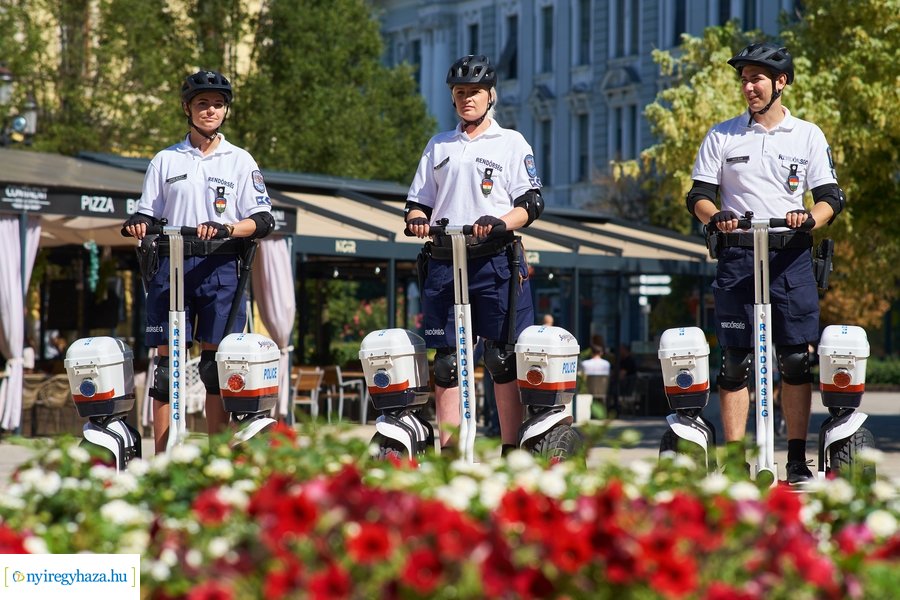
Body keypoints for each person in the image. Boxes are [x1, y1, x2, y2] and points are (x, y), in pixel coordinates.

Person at [686, 43, 845, 484]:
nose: (748, 87)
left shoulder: (806, 135)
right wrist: (715, 215)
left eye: (756, 79)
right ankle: (737, 461)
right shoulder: (723, 135)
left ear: (781, 82)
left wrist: (808, 218)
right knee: (735, 361)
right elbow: (698, 194)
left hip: (789, 254)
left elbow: (830, 197)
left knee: (794, 359)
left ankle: (794, 458)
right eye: (744, 80)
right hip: (738, 255)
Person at [123, 70, 276, 453]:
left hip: (220, 267)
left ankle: (215, 457)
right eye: (202, 103)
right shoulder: (165, 159)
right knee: (165, 370)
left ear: (226, 111)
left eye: (218, 104)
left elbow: (262, 220)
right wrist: (139, 223)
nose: (210, 110)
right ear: (187, 108)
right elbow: (148, 213)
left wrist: (227, 228)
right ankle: (162, 458)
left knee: (214, 367)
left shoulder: (239, 160)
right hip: (171, 264)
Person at [405, 54, 544, 456]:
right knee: (447, 362)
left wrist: (500, 222)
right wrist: (417, 220)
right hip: (445, 259)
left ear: (490, 96)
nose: (467, 98)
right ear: (452, 98)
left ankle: (510, 449)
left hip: (494, 260)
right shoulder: (439, 145)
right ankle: (450, 454)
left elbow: (531, 202)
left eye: (475, 92)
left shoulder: (511, 143)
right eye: (460, 92)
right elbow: (418, 203)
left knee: (501, 358)